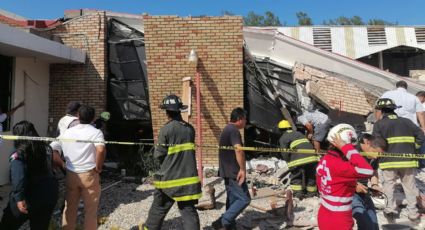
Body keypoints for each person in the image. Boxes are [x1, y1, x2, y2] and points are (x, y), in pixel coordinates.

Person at [143, 94, 201, 230]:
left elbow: (159, 155)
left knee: (158, 208)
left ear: (167, 112)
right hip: (188, 179)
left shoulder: (166, 129)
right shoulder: (190, 129)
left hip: (169, 180)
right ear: (179, 110)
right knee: (188, 211)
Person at [50, 105, 106, 230]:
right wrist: (98, 167)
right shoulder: (96, 132)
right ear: (93, 118)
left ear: (78, 116)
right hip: (89, 174)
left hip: (71, 174)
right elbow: (101, 150)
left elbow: (53, 149)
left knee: (69, 207)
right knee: (90, 211)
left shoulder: (67, 132)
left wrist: (63, 165)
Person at [372, 98, 425, 223]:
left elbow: (376, 144)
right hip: (408, 161)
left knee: (388, 186)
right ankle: (413, 214)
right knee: (410, 187)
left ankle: (389, 210)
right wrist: (414, 148)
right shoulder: (407, 122)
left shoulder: (379, 124)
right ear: (394, 110)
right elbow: (421, 136)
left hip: (389, 161)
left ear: (381, 111)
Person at [0, 121, 58, 229]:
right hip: (49, 193)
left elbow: (18, 176)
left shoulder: (19, 151)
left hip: (30, 194)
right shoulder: (46, 148)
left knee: (6, 225)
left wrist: (18, 198)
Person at [316, 124, 373, 230]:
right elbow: (367, 170)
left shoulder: (325, 159)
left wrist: (353, 183)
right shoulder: (340, 165)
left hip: (324, 215)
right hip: (339, 220)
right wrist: (346, 147)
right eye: (352, 146)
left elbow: (335, 180)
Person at [212, 107, 251, 230]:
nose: (246, 122)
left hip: (227, 171)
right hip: (234, 171)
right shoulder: (233, 130)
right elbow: (238, 150)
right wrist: (242, 170)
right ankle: (223, 221)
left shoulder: (227, 129)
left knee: (233, 199)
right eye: (245, 119)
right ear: (239, 119)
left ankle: (229, 225)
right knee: (244, 199)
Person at [277, 119, 318, 198]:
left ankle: (298, 194)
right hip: (312, 158)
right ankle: (312, 194)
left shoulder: (283, 137)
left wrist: (289, 162)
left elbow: (284, 152)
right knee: (311, 176)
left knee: (296, 176)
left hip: (299, 159)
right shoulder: (298, 133)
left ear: (280, 130)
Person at [352, 133, 386, 230]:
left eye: (379, 154)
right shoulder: (352, 152)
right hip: (349, 192)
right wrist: (354, 184)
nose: (376, 157)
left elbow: (373, 171)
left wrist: (375, 184)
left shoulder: (375, 155)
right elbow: (338, 172)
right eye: (375, 152)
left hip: (364, 190)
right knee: (366, 222)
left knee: (373, 224)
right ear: (368, 143)